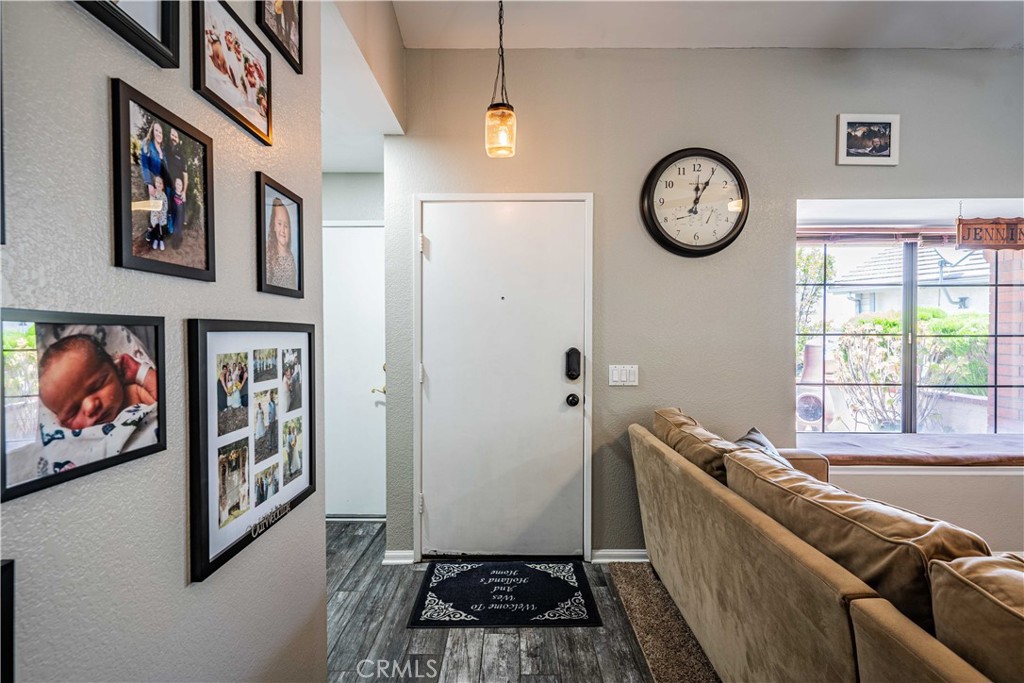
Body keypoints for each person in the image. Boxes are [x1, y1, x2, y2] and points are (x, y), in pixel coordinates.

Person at [38, 335, 157, 429]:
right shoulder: (75, 437)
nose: (90, 406)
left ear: (118, 371)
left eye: (96, 387)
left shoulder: (133, 394)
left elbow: (166, 399)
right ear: (61, 422)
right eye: (73, 412)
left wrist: (141, 373)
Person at [265, 198, 297, 289]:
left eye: (286, 226)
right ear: (274, 226)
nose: (282, 230)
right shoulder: (267, 250)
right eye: (279, 224)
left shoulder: (290, 257)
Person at [148, 175, 168, 251]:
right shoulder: (153, 193)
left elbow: (166, 206)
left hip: (162, 216)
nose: (159, 184)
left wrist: (161, 213)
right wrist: (156, 213)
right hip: (155, 216)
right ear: (154, 183)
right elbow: (151, 204)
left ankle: (161, 240)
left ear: (163, 185)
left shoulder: (164, 195)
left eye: (161, 183)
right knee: (156, 229)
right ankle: (156, 240)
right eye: (157, 182)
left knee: (162, 230)